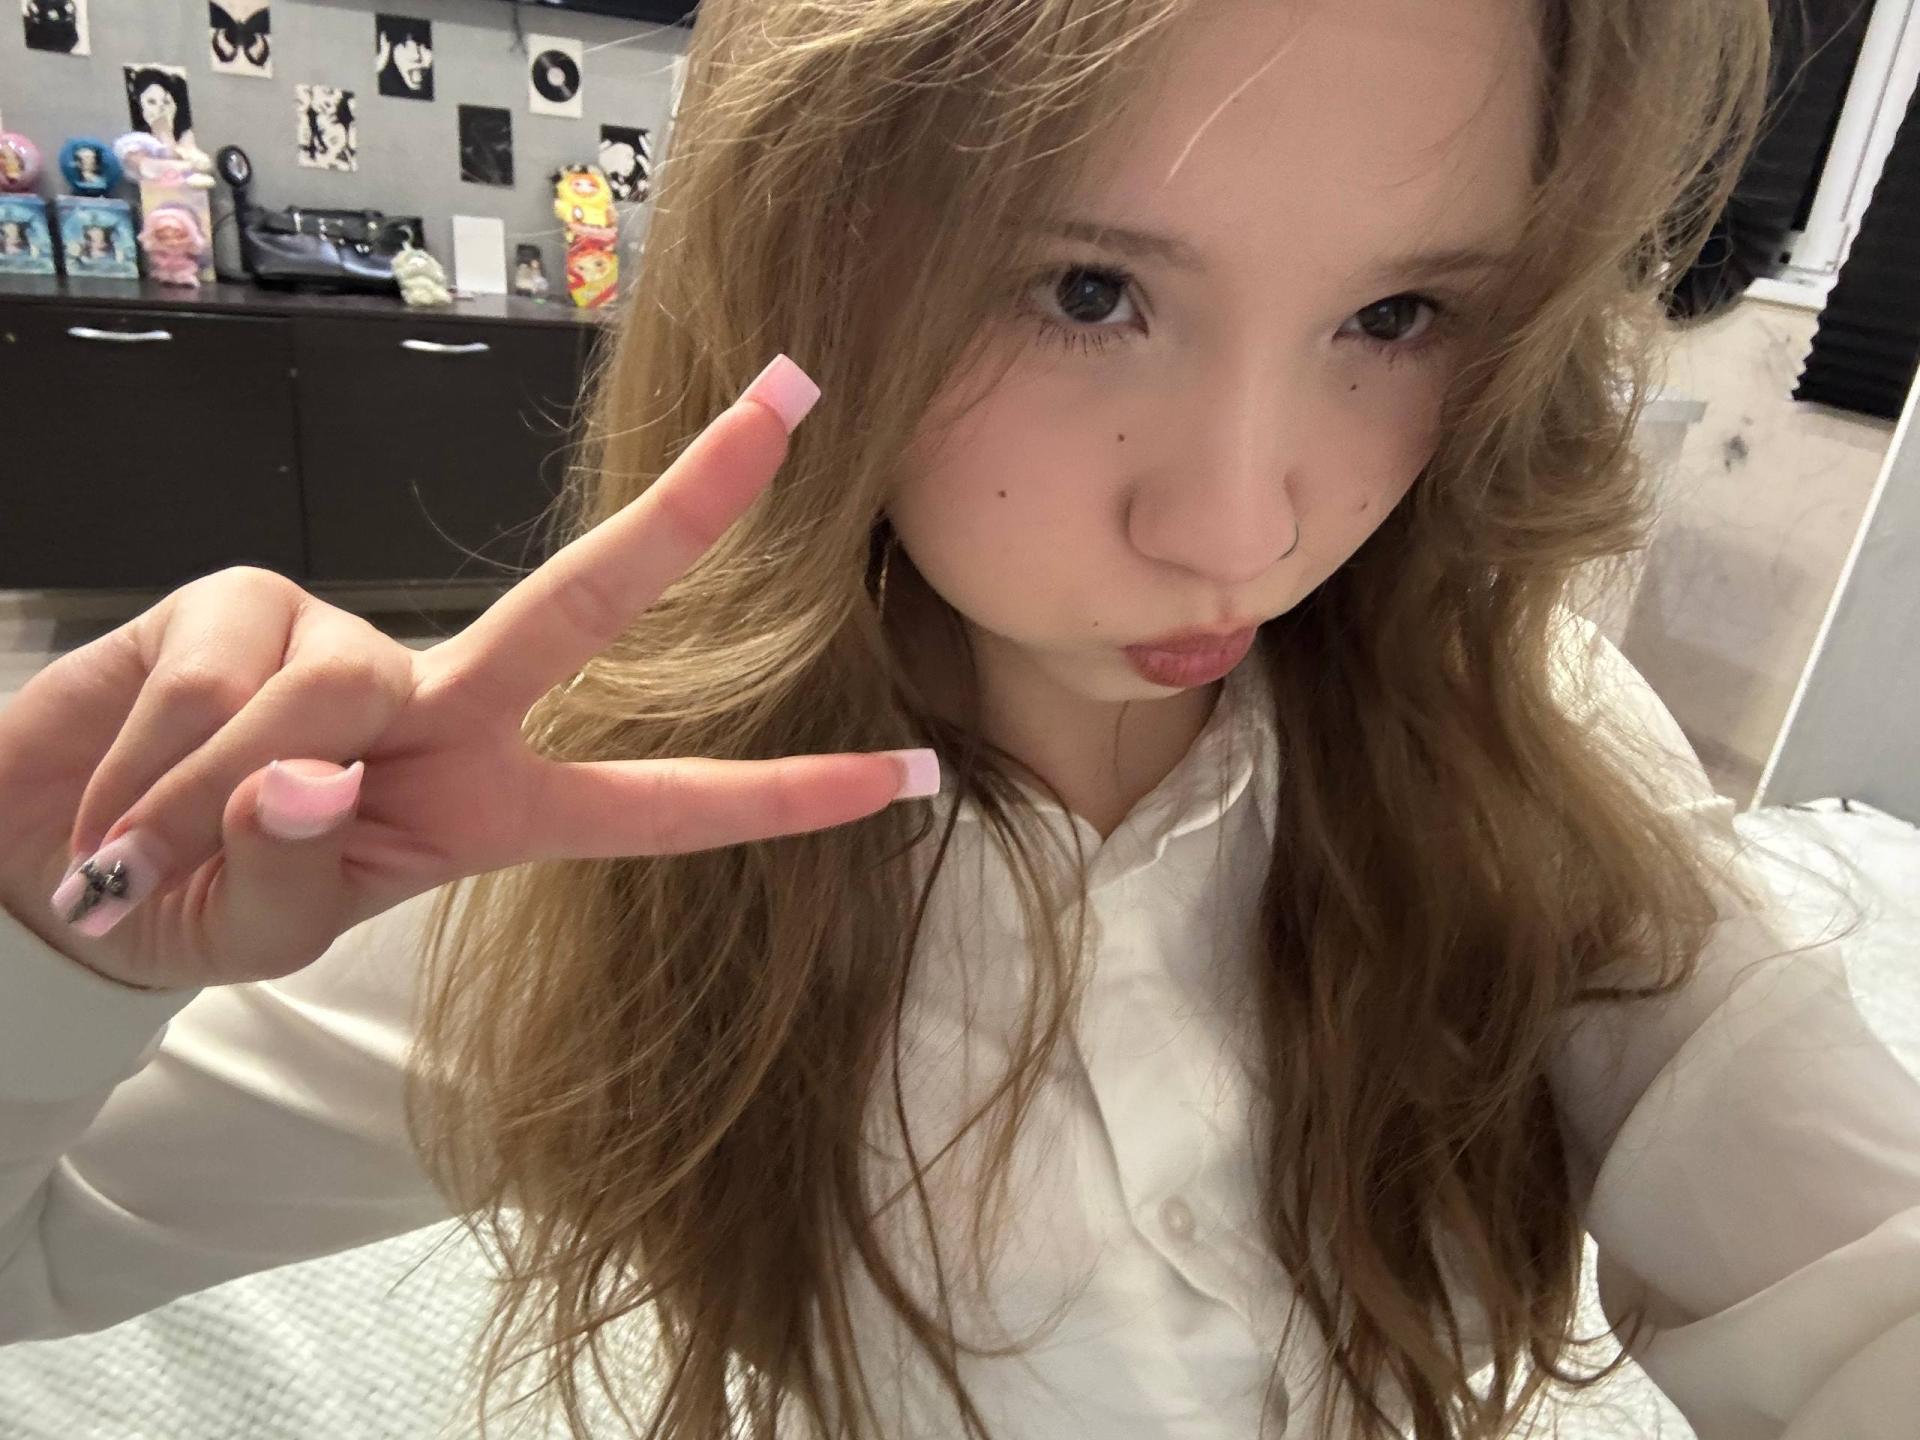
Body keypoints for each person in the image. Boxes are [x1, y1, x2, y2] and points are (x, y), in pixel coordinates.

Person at [1, 1, 1916, 1438]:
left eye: (1397, 315)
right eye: (1088, 290)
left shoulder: (1518, 731)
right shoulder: (589, 838)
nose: (1242, 528)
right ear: (811, 261)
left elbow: (1854, 1281)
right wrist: (57, 929)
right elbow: (41, 1250)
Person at [124, 66, 196, 153]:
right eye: (151, 102)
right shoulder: (132, 143)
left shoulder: (187, 137)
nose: (160, 109)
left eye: (166, 102)